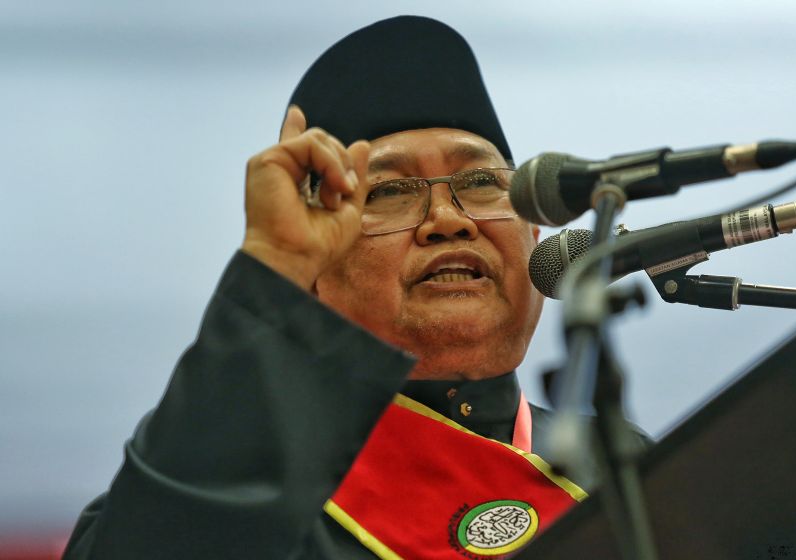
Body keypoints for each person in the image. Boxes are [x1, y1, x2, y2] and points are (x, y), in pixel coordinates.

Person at [63, 16, 630, 559]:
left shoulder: (626, 471)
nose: (448, 219)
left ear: (534, 235)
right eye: (388, 192)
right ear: (312, 276)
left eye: (481, 182)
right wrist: (272, 269)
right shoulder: (225, 504)